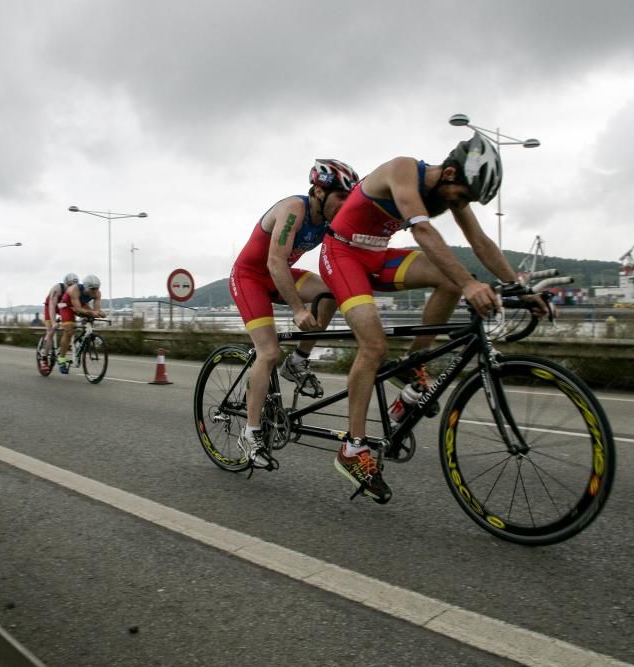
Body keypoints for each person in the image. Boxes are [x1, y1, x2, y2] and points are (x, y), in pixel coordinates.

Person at [319, 131, 547, 504]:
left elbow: (481, 243)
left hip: (376, 255)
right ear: (451, 173)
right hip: (342, 254)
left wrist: (520, 288)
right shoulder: (403, 169)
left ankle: (414, 363)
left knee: (448, 279)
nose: (462, 204)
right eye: (463, 196)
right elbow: (423, 231)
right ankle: (352, 449)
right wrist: (471, 284)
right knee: (374, 346)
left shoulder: (452, 190)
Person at [229, 158, 359, 469]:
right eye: (340, 197)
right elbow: (275, 262)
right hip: (251, 277)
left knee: (331, 292)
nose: (344, 205)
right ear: (317, 191)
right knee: (269, 352)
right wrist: (298, 308)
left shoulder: (330, 220)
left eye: (348, 198)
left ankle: (298, 361)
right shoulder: (294, 210)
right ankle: (251, 432)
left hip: (280, 274)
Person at [57, 274, 106, 373]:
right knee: (69, 329)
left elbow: (96, 311)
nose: (95, 291)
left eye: (97, 289)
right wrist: (91, 312)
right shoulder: (74, 290)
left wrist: (99, 313)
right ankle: (61, 359)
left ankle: (81, 342)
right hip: (66, 306)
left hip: (80, 304)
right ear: (85, 286)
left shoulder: (97, 293)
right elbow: (78, 310)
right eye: (92, 289)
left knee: (91, 317)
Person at [40, 273, 79, 373]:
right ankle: (44, 358)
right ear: (66, 284)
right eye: (70, 285)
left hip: (62, 306)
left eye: (74, 285)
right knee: (51, 330)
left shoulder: (75, 291)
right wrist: (53, 322)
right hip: (51, 306)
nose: (72, 287)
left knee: (71, 326)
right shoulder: (57, 288)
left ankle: (67, 346)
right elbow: (52, 306)